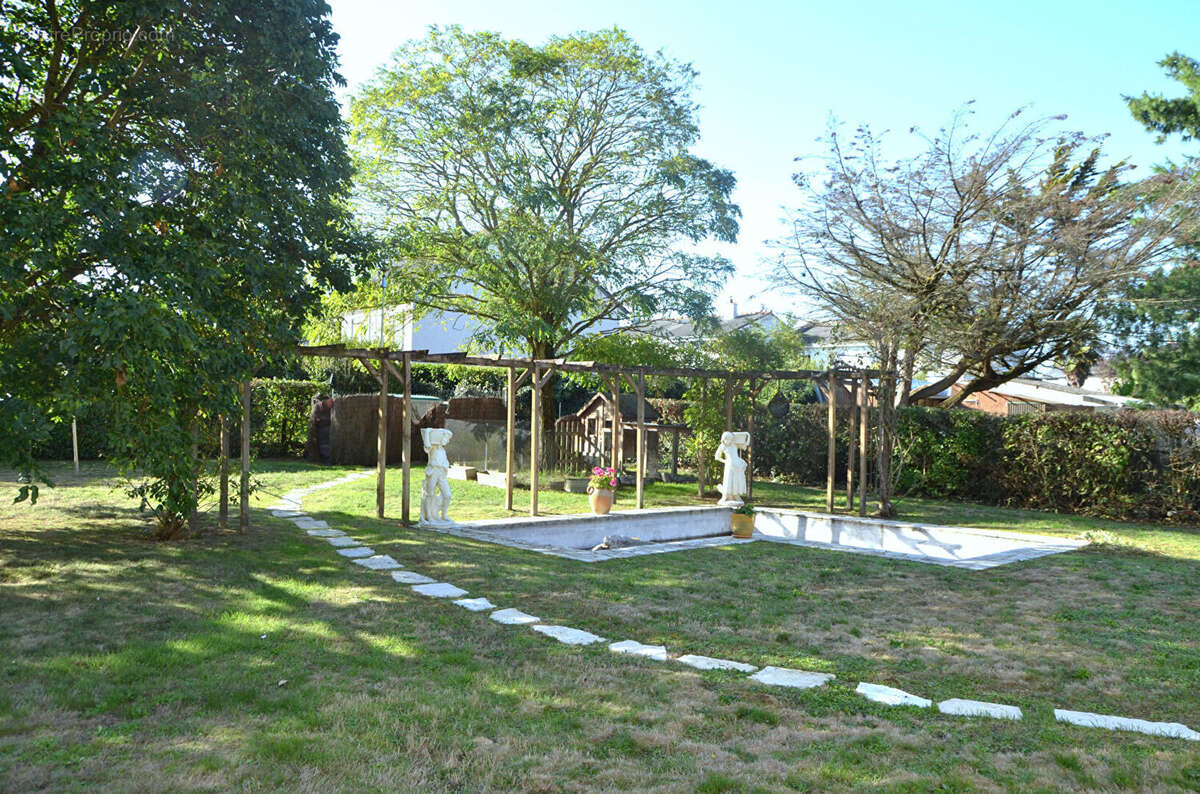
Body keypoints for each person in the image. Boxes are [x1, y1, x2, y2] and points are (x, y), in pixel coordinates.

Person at [714, 431, 748, 506]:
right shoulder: (722, 446)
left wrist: (747, 437)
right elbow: (717, 457)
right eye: (728, 439)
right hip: (729, 465)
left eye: (731, 439)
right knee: (728, 480)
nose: (729, 441)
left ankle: (736, 495)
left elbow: (744, 447)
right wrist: (725, 461)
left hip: (737, 465)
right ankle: (725, 496)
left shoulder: (734, 444)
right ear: (724, 439)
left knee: (737, 480)